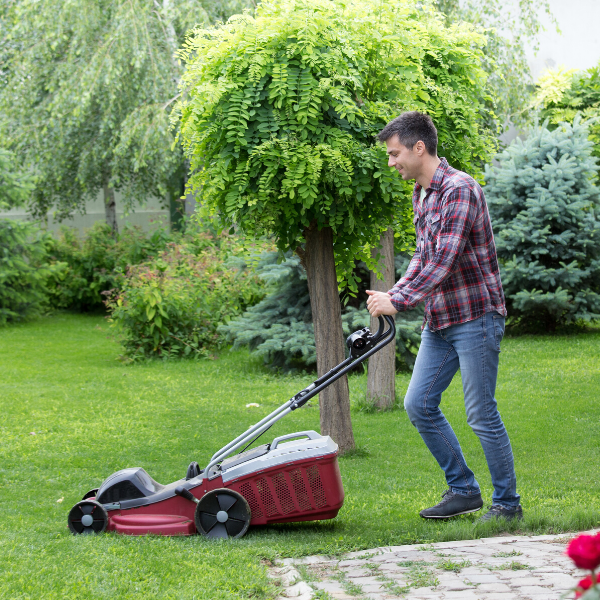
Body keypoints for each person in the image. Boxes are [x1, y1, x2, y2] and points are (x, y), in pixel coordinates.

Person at [366, 111, 522, 522]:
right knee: (418, 404)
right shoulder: (422, 193)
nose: (391, 162)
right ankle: (464, 490)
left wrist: (398, 303)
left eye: (395, 153)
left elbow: (445, 262)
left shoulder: (460, 189)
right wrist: (394, 292)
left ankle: (507, 505)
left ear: (420, 147)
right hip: (441, 319)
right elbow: (423, 257)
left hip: (476, 315)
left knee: (480, 411)